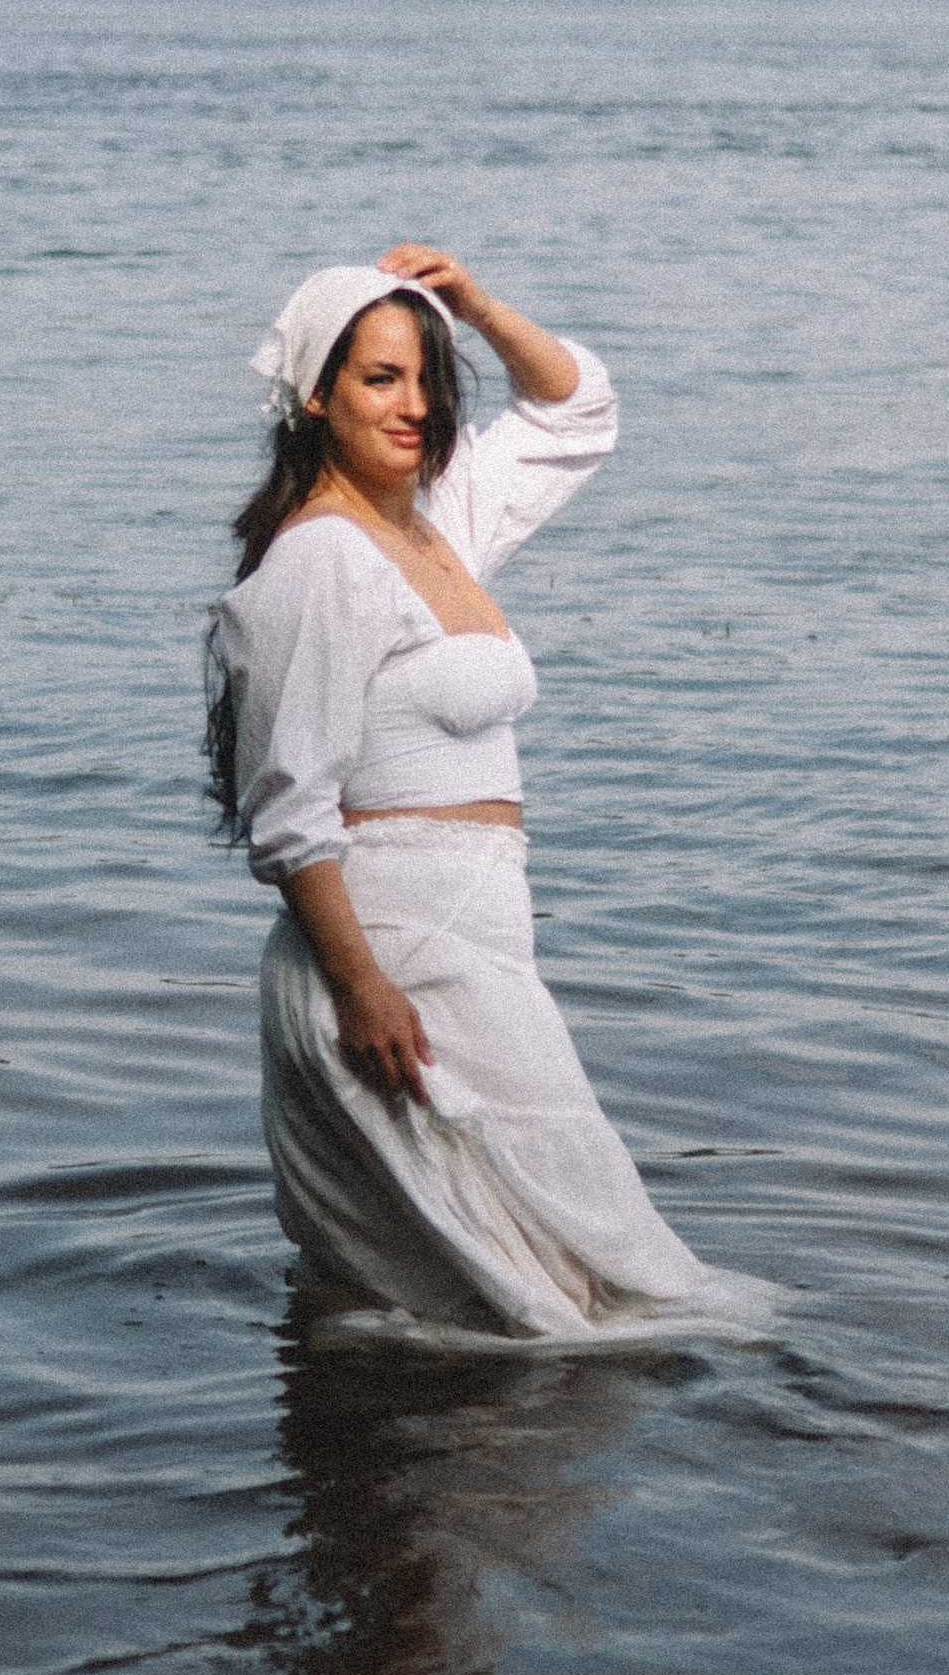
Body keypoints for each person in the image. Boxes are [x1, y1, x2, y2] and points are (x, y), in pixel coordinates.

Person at [209, 245, 773, 1343]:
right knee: (550, 1301)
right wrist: (363, 988)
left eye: (430, 376)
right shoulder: (318, 564)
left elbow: (577, 412)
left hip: (475, 945)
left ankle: (415, 1483)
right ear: (315, 396)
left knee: (542, 1287)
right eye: (381, 378)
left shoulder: (432, 524)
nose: (416, 406)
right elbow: (288, 815)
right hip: (388, 960)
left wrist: (467, 303)